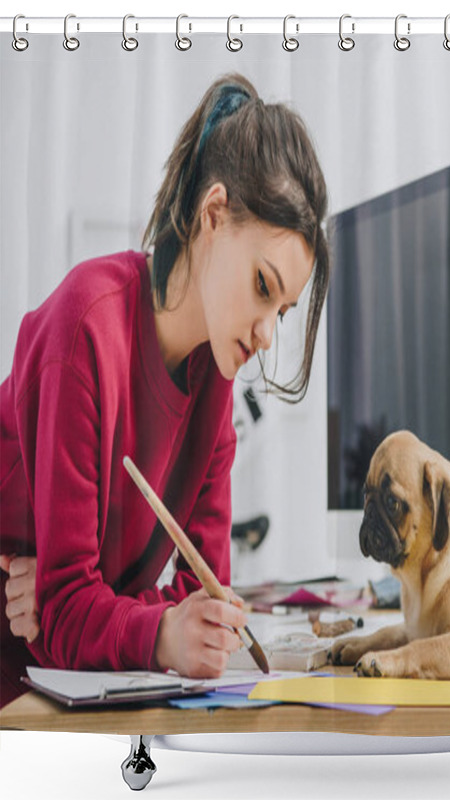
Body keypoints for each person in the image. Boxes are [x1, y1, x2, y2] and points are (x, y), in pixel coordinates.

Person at [0, 73, 329, 710]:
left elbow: (200, 607)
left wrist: (111, 610)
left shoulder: (216, 396)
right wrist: (144, 624)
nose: (267, 334)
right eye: (264, 286)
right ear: (212, 215)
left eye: (283, 311)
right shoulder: (85, 330)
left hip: (68, 679)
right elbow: (70, 615)